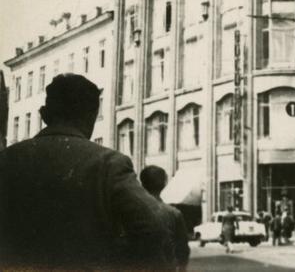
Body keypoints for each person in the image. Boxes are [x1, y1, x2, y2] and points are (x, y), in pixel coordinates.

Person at [0, 74, 171, 270]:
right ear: (92, 116)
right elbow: (154, 229)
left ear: (44, 114)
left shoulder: (6, 160)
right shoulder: (109, 164)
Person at [140, 165, 190, 271]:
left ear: (142, 184)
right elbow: (183, 250)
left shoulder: (129, 212)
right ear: (164, 184)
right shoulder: (174, 214)